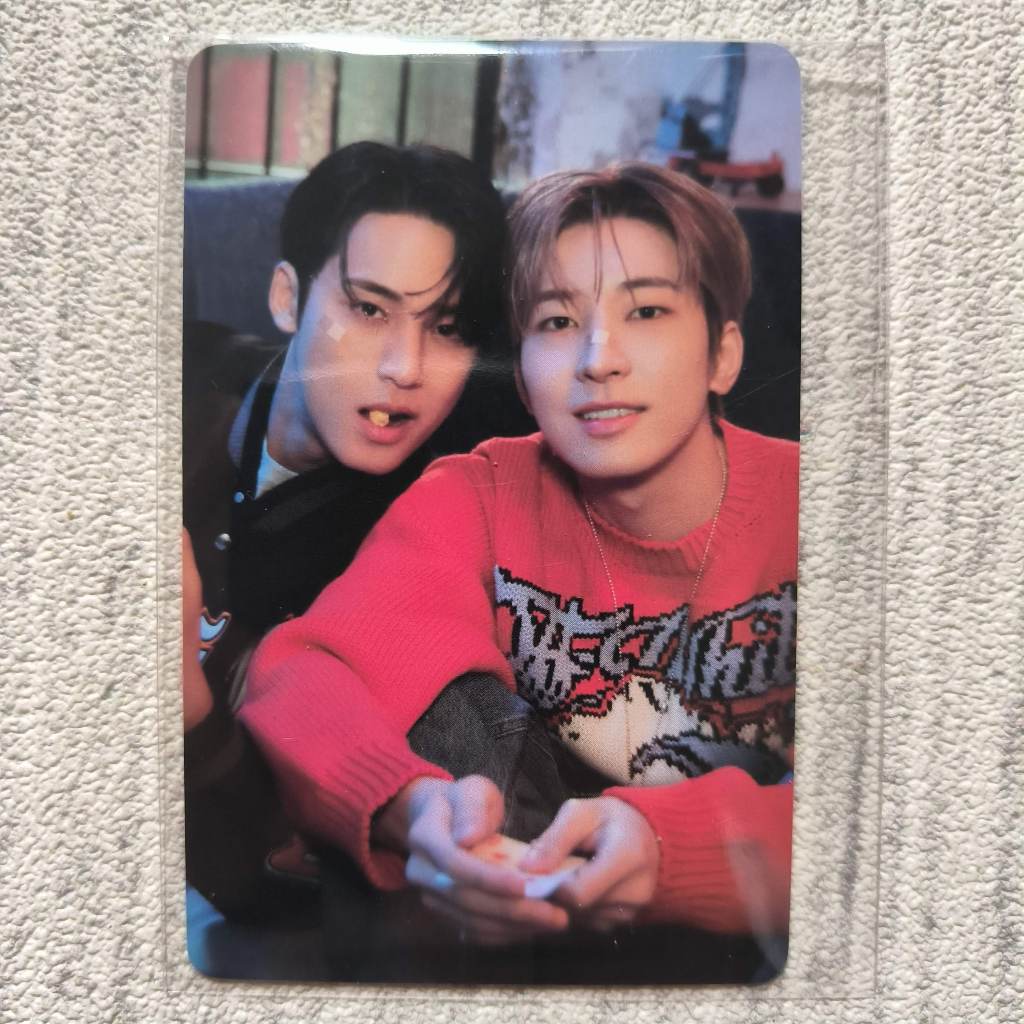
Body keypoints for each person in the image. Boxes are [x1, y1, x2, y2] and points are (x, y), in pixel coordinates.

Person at [239, 162, 797, 955]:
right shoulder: (479, 494)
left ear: (722, 355)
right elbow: (300, 672)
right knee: (445, 710)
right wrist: (406, 806)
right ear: (526, 382)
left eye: (645, 310)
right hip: (512, 917)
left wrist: (670, 851)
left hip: (761, 952)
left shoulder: (826, 512)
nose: (598, 357)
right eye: (557, 321)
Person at [182, 141, 508, 925]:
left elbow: (277, 879)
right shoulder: (181, 379)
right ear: (287, 297)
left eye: (448, 327)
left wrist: (187, 704)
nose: (406, 367)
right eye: (368, 309)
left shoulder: (422, 542)